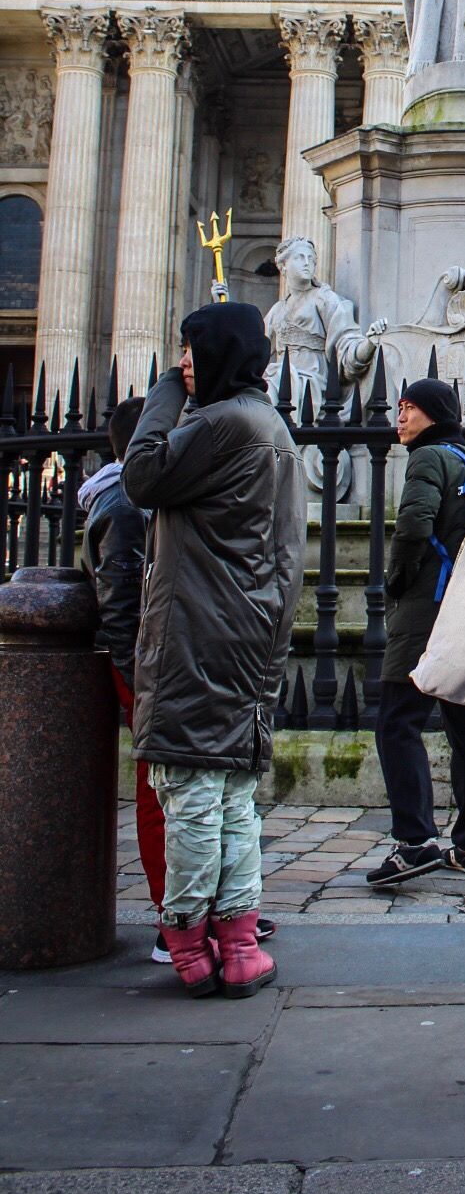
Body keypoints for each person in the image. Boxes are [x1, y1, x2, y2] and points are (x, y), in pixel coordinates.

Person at [123, 303, 305, 998]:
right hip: (244, 630)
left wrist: (167, 391)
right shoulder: (268, 427)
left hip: (199, 631)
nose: (186, 360)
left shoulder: (221, 423)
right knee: (230, 796)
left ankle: (188, 943)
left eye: (192, 348)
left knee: (192, 792)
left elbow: (142, 474)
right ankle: (238, 941)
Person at [366, 378, 465, 888]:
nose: (399, 417)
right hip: (464, 609)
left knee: (397, 722)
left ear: (433, 414)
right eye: (398, 407)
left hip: (426, 612)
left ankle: (414, 840)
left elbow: (413, 526)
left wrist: (395, 581)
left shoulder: (427, 459)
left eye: (409, 408)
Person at [80, 396, 168, 961]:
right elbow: (120, 603)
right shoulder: (125, 503)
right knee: (158, 788)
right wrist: (139, 675)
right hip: (141, 665)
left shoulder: (129, 499)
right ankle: (171, 920)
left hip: (148, 662)